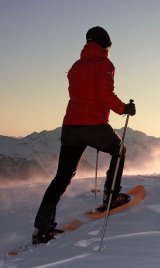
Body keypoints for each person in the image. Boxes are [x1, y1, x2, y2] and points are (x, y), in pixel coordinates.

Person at [32, 26, 136, 245]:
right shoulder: (104, 64)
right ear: (105, 44)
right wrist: (124, 108)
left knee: (62, 177)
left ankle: (42, 228)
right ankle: (111, 196)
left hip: (71, 125)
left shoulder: (76, 66)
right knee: (119, 150)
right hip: (94, 125)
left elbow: (82, 92)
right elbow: (104, 94)